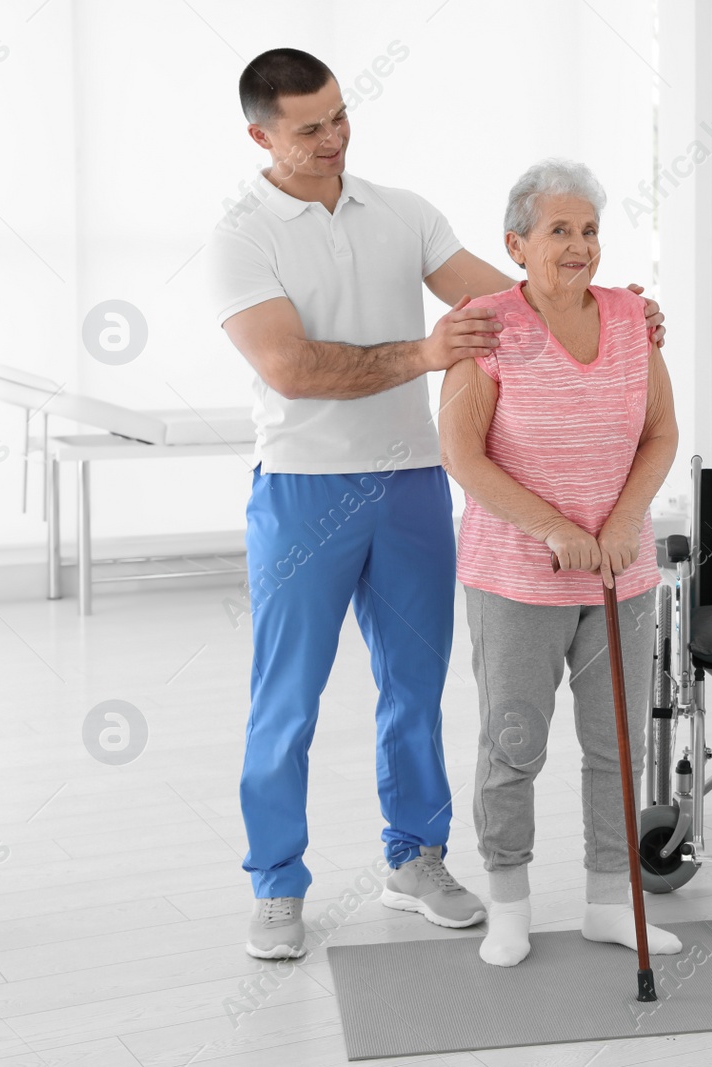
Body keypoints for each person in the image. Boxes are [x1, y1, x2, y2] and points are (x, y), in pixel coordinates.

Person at [206, 50, 666, 960]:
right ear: (261, 134)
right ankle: (276, 882)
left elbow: (510, 303)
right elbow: (291, 367)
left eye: (341, 115)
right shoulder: (241, 234)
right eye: (311, 127)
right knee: (286, 701)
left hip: (414, 484)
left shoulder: (402, 212)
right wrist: (422, 355)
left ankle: (415, 857)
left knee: (413, 694)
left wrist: (616, 309)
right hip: (303, 489)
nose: (335, 137)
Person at [439, 159, 680, 967]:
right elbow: (461, 453)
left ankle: (609, 901)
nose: (579, 247)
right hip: (516, 575)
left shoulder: (632, 319)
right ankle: (509, 904)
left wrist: (622, 520)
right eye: (559, 231)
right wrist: (551, 527)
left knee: (617, 744)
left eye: (589, 231)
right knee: (514, 742)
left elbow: (660, 434)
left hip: (621, 572)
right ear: (516, 243)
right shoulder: (488, 325)